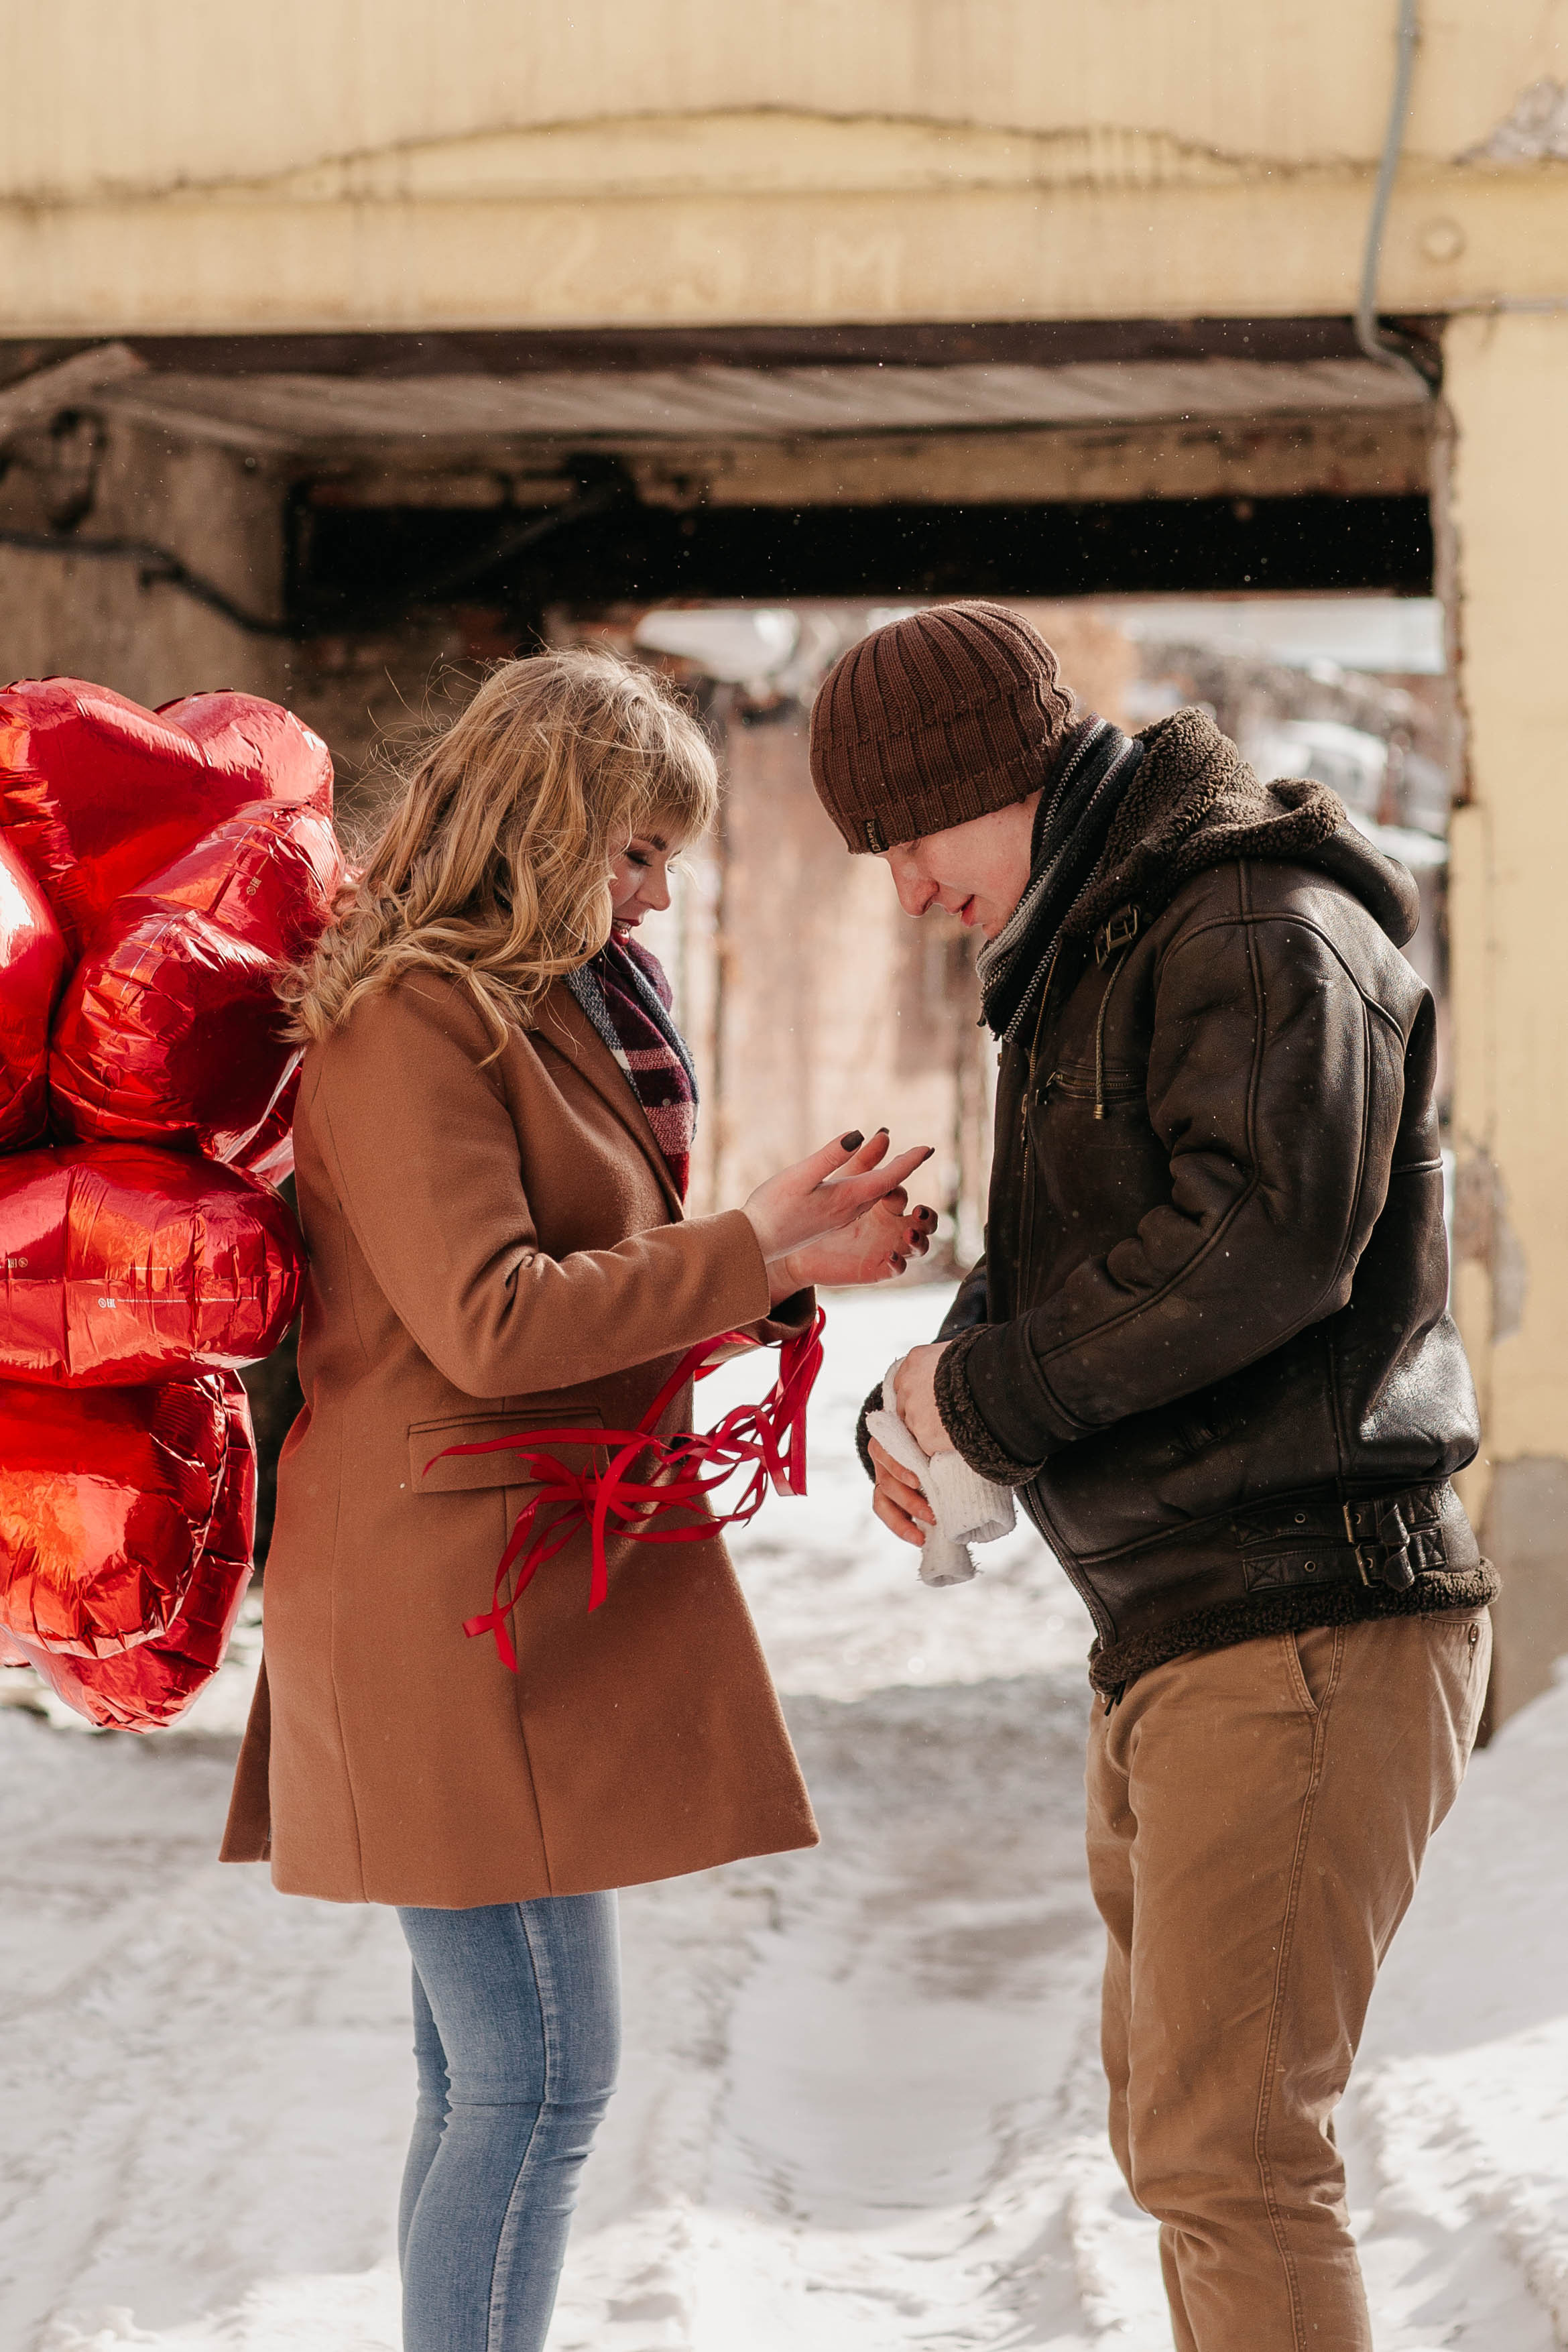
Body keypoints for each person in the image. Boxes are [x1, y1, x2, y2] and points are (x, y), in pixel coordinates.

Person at [221, 648, 934, 2352]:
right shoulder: (410, 1019)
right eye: (634, 850)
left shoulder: (539, 998)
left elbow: (581, 1266)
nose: (660, 891)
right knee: (538, 2080)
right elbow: (490, 1317)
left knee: (487, 2076)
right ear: (543, 830)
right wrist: (746, 1241)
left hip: (499, 1581)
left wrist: (778, 1264)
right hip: (445, 1601)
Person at [808, 601, 1495, 2352]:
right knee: (1189, 2144)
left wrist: (999, 1399)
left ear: (1004, 777)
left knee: (1233, 2156)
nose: (902, 888)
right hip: (1190, 1622)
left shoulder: (1255, 925)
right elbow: (1093, 1268)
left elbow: (1256, 1250)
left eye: (908, 838)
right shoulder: (1098, 948)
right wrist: (932, 1402)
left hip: (1304, 1612)